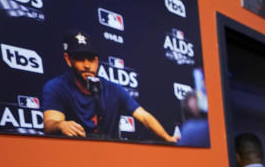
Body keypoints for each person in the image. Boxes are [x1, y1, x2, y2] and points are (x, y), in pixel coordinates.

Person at [42, 30, 176, 142]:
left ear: (96, 61)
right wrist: (61, 125)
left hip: (111, 155)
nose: (87, 65)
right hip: (74, 155)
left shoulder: (113, 89)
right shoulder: (56, 87)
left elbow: (144, 117)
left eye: (90, 59)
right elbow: (50, 123)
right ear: (68, 60)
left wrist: (167, 138)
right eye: (80, 59)